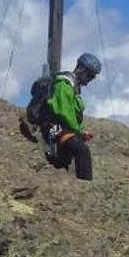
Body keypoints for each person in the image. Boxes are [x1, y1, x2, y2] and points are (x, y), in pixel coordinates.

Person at [42, 52, 102, 181]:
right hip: (54, 129)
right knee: (82, 150)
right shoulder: (63, 84)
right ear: (80, 69)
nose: (91, 79)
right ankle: (85, 185)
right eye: (90, 75)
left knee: (70, 154)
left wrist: (80, 133)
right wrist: (78, 132)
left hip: (64, 130)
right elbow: (64, 112)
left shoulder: (74, 88)